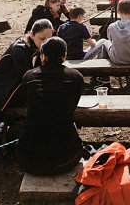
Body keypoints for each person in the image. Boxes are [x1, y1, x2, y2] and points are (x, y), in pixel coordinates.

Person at [16, 37, 85, 175]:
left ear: (42, 56)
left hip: (28, 160)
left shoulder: (29, 77)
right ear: (64, 55)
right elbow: (71, 105)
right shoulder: (76, 77)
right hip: (66, 159)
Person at [0, 19, 53, 111]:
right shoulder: (19, 49)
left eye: (48, 40)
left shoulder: (37, 46)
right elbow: (27, 77)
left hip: (15, 85)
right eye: (42, 39)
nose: (45, 43)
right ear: (31, 34)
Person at [84, 0, 130, 64]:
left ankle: (102, 64)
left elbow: (111, 41)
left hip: (117, 59)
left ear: (118, 11)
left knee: (105, 43)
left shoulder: (112, 27)